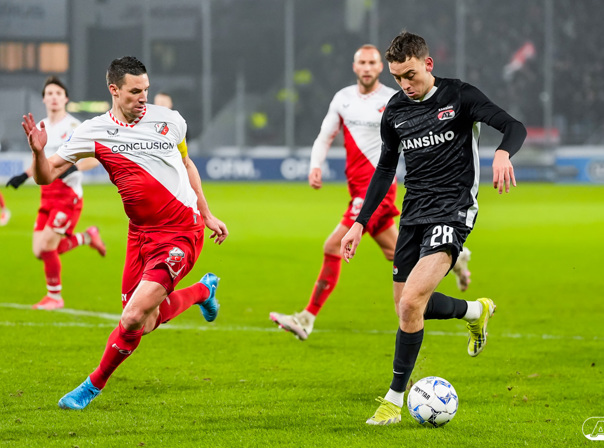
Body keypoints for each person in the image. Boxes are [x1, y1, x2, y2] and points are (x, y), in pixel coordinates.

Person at [339, 32, 526, 425]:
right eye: (397, 78)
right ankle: (475, 311)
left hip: (453, 211)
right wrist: (359, 223)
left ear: (428, 64)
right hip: (413, 214)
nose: (405, 85)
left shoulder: (460, 96)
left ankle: (392, 402)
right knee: (406, 308)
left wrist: (503, 152)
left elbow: (513, 126)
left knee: (411, 303)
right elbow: (385, 170)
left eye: (410, 75)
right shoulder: (395, 111)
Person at [22, 56, 228, 410]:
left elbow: (186, 163)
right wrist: (39, 152)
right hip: (140, 236)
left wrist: (206, 213)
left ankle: (91, 386)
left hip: (181, 232)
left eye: (145, 89)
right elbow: (46, 175)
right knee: (144, 323)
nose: (143, 97)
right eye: (135, 91)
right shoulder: (94, 131)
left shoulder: (171, 121)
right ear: (114, 90)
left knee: (131, 317)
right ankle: (201, 291)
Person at [269, 45, 472, 341]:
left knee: (332, 246)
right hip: (356, 189)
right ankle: (456, 256)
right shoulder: (343, 99)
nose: (366, 67)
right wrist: (315, 166)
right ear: (355, 67)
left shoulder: (394, 99)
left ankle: (307, 318)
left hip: (376, 191)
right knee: (397, 252)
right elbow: (325, 136)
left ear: (380, 68)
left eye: (372, 63)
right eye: (361, 62)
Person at [6, 76, 106, 310]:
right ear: (43, 99)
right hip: (46, 195)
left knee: (47, 246)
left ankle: (55, 297)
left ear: (66, 99)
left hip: (67, 195)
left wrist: (73, 168)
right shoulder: (41, 126)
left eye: (58, 93)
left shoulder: (75, 128)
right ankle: (87, 237)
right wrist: (24, 175)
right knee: (39, 250)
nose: (53, 97)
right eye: (49, 93)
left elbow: (95, 157)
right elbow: (41, 161)